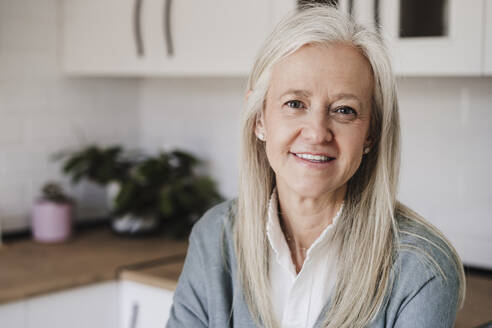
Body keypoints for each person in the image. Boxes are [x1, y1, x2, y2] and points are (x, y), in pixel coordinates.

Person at [166, 5, 465, 328]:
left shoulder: (421, 268)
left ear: (370, 134)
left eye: (344, 110)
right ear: (259, 119)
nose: (317, 132)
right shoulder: (215, 237)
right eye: (295, 104)